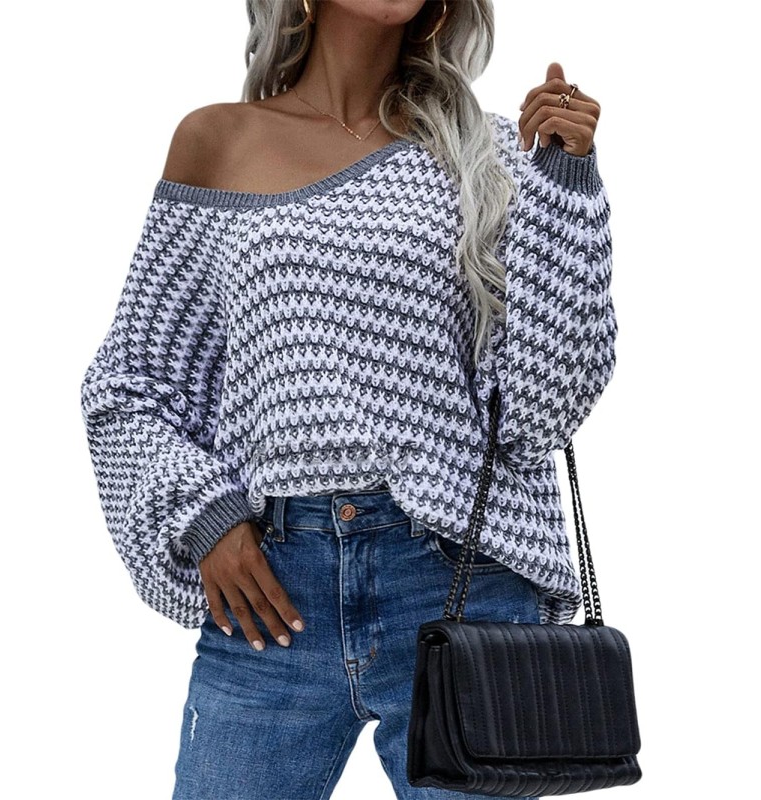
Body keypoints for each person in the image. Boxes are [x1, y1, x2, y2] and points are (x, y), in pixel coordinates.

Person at [79, 0, 615, 797]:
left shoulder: (495, 154)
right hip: (271, 596)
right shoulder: (218, 141)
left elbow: (541, 411)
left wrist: (565, 187)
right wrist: (207, 517)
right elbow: (131, 383)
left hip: (461, 585)